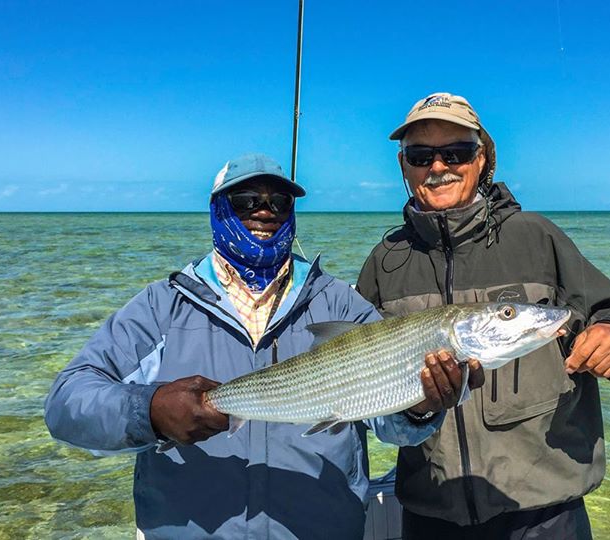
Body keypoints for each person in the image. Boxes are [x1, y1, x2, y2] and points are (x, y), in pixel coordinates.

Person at [44, 154, 473, 540]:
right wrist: (150, 411)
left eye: (279, 202)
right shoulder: (163, 305)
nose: (264, 211)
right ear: (218, 209)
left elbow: (388, 425)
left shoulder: (339, 301)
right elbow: (67, 402)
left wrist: (420, 406)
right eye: (245, 200)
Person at [356, 93, 610, 539]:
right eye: (421, 156)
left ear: (482, 158)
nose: (438, 167)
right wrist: (414, 410)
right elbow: (371, 403)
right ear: (403, 166)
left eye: (455, 152)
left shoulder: (537, 237)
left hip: (545, 512)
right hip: (431, 512)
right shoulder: (384, 262)